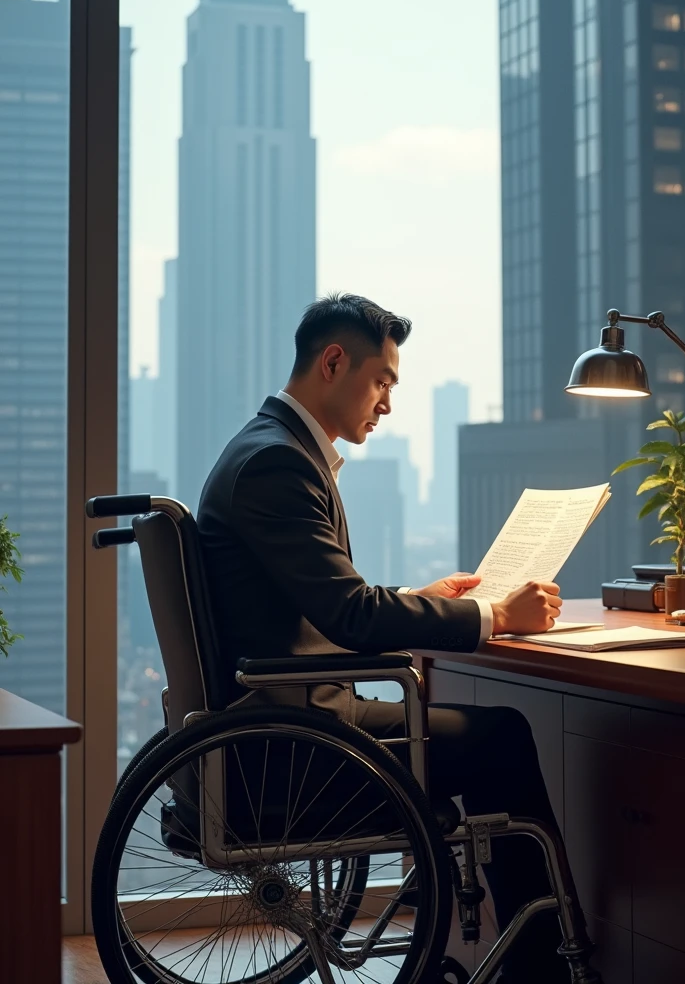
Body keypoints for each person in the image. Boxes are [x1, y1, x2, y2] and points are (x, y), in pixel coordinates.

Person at [198, 293, 579, 983]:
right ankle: (543, 968)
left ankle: (527, 960)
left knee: (489, 733)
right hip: (292, 745)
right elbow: (349, 614)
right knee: (500, 738)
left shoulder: (268, 450)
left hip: (281, 724)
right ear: (333, 362)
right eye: (383, 382)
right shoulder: (276, 465)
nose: (387, 403)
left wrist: (418, 602)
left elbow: (319, 610)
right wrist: (496, 619)